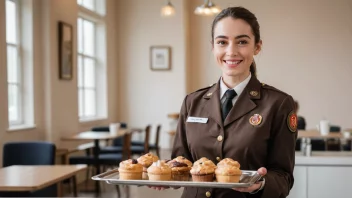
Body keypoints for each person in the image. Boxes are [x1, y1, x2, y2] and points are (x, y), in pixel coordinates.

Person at [171, 6, 298, 198]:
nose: (231, 52)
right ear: (213, 47)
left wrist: (260, 184)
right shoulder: (192, 102)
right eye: (222, 42)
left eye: (242, 42)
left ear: (257, 47)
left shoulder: (278, 104)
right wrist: (163, 175)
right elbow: (180, 163)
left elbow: (284, 177)